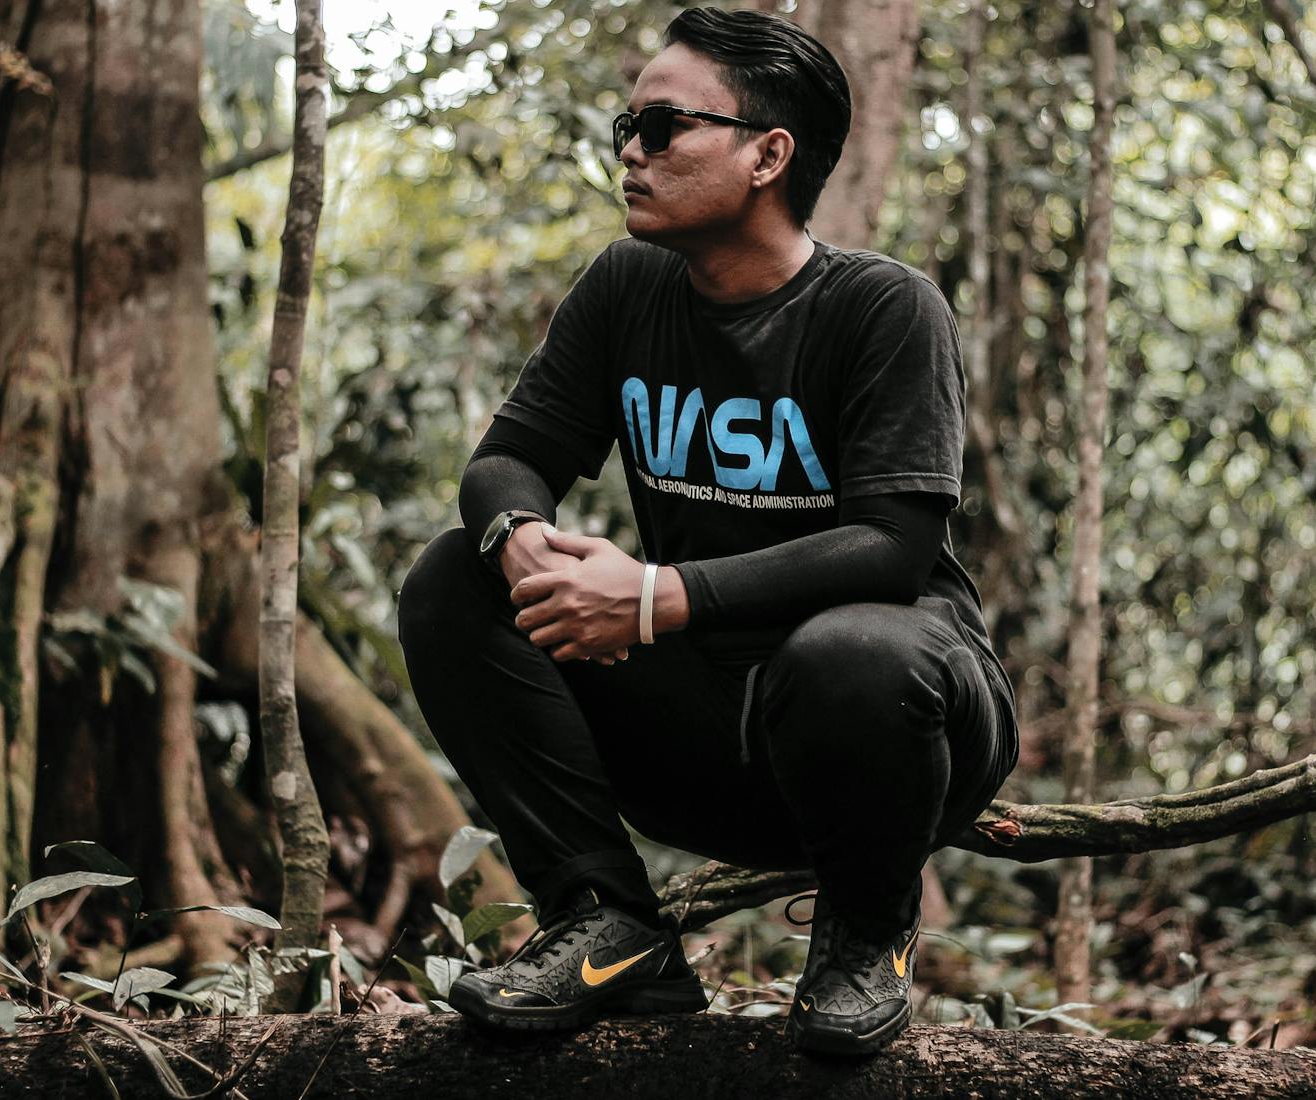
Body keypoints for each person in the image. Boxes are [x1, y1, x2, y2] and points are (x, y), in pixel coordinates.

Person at [397, 6, 1018, 1056]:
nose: (631, 153)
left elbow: (892, 548)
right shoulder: (628, 285)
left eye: (664, 127)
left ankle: (866, 935)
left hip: (901, 728)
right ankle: (608, 922)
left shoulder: (883, 307)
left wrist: (650, 596)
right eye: (625, 127)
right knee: (452, 577)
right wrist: (520, 538)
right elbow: (508, 461)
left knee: (852, 649)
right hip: (710, 740)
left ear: (769, 153)